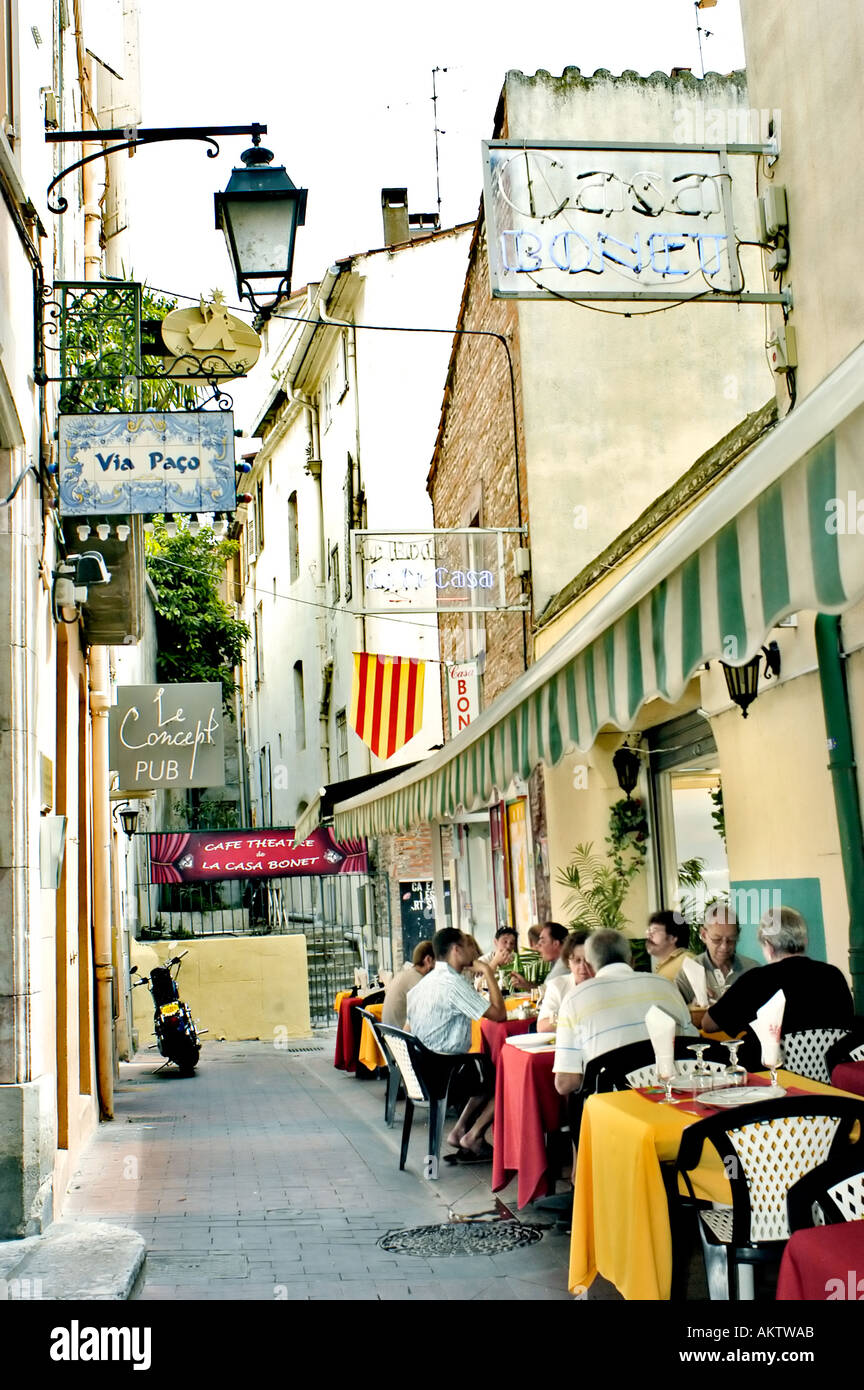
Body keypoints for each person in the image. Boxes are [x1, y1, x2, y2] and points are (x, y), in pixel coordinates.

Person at [700, 906, 854, 1066]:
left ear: (768, 945)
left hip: (771, 1076)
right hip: (829, 1074)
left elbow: (708, 1024)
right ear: (805, 941)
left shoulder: (756, 980)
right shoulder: (833, 975)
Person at [553, 929, 697, 1096]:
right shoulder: (666, 986)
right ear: (631, 960)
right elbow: (692, 1045)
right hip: (673, 1098)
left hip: (614, 1108)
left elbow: (565, 1083)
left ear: (590, 965)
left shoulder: (574, 999)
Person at [406, 926, 506, 1161]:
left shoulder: (426, 982)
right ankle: (473, 1134)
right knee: (505, 1075)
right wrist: (488, 972)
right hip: (444, 1073)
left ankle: (461, 1130)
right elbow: (500, 1014)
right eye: (469, 945)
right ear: (456, 949)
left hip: (422, 1068)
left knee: (484, 1066)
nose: (474, 950)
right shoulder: (453, 984)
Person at [676, 902, 758, 1008]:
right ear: (704, 935)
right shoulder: (688, 973)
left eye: (731, 940)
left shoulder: (753, 969)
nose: (724, 946)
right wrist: (693, 1008)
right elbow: (675, 1015)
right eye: (717, 940)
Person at [537, 930, 593, 1033]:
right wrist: (571, 1018)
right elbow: (542, 1025)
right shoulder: (557, 985)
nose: (583, 967)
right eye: (577, 961)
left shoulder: (604, 984)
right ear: (568, 962)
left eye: (588, 960)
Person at [381, 940, 435, 1027]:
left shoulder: (405, 975)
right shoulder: (419, 982)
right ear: (428, 960)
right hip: (401, 1036)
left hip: (389, 1035)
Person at [645, 909, 693, 984]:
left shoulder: (687, 960)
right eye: (649, 930)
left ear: (672, 938)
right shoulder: (660, 965)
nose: (649, 935)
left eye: (654, 930)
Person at [537, 922, 570, 994]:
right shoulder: (558, 961)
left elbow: (546, 993)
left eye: (542, 941)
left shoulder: (564, 964)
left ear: (556, 944)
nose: (538, 946)